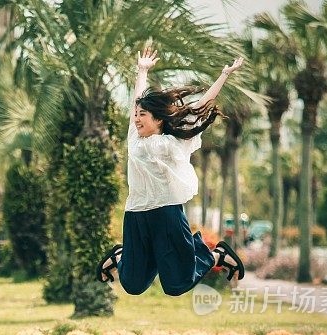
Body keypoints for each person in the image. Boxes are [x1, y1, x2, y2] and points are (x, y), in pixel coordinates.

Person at [96, 47, 245, 295]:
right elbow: (137, 97)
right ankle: (120, 254)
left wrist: (224, 76)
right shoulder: (134, 138)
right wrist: (142, 70)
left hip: (167, 214)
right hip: (135, 213)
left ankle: (218, 254)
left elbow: (199, 108)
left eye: (142, 115)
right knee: (133, 285)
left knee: (177, 284)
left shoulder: (174, 143)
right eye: (135, 115)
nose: (136, 119)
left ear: (159, 119)